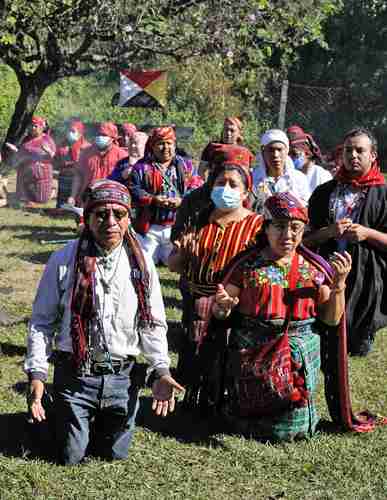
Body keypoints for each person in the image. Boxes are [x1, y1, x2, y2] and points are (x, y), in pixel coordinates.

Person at [24, 180, 183, 465]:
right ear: (88, 218)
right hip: (75, 375)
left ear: (128, 217)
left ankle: (93, 419)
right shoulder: (64, 259)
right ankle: (63, 412)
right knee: (70, 456)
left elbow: (153, 323)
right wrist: (37, 374)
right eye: (101, 214)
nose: (110, 222)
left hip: (122, 379)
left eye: (118, 214)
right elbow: (41, 322)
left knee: (113, 455)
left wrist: (161, 369)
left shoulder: (142, 263)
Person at [211, 192, 353, 440]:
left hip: (299, 349)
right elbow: (221, 312)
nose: (287, 235)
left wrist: (339, 284)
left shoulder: (316, 270)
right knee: (249, 407)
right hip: (252, 350)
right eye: (279, 227)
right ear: (265, 229)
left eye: (296, 228)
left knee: (293, 424)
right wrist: (223, 307)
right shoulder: (246, 266)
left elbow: (331, 320)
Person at [168, 148, 262, 412]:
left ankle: (222, 403)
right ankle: (193, 402)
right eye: (221, 183)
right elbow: (174, 265)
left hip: (233, 306)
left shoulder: (256, 225)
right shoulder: (199, 219)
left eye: (234, 184)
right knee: (193, 351)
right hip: (196, 300)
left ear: (245, 193)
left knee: (223, 356)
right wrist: (184, 253)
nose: (226, 188)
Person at [305, 127, 387, 356]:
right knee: (323, 340)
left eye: (360, 150)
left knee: (356, 347)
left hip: (366, 278)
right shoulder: (324, 192)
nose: (353, 155)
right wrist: (329, 232)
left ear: (372, 155)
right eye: (348, 150)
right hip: (325, 273)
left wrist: (367, 233)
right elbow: (305, 240)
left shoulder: (383, 194)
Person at [129, 126, 190, 265]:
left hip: (177, 225)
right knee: (143, 262)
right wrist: (153, 199)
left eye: (169, 143)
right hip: (150, 226)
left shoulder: (185, 165)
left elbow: (195, 186)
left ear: (175, 145)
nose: (165, 147)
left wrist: (182, 201)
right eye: (160, 143)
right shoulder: (141, 167)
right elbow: (133, 188)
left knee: (177, 262)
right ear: (152, 146)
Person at [68, 122, 127, 205]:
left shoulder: (121, 155)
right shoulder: (86, 152)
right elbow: (78, 176)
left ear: (113, 138)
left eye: (104, 135)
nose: (100, 137)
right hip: (88, 199)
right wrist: (72, 196)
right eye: (98, 134)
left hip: (111, 199)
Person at [252, 129, 310, 205]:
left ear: (286, 151)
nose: (276, 155)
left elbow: (305, 209)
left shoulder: (299, 179)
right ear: (263, 152)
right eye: (271, 150)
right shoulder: (253, 179)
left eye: (279, 150)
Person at [14, 116, 56, 207]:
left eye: (35, 126)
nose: (32, 128)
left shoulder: (47, 140)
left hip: (41, 176)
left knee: (40, 200)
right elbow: (20, 154)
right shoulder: (26, 139)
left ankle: (50, 192)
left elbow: (54, 158)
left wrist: (49, 152)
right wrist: (16, 151)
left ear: (41, 127)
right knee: (21, 199)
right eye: (31, 126)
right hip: (25, 174)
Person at [55, 120, 90, 207]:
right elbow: (56, 161)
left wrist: (71, 164)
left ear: (80, 133)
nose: (70, 133)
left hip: (79, 179)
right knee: (62, 204)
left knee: (77, 201)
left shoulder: (87, 147)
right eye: (69, 131)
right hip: (64, 177)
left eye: (73, 131)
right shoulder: (62, 146)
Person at [287, 125, 332, 192]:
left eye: (294, 154)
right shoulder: (289, 175)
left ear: (307, 153)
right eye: (289, 155)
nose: (291, 159)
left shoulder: (321, 175)